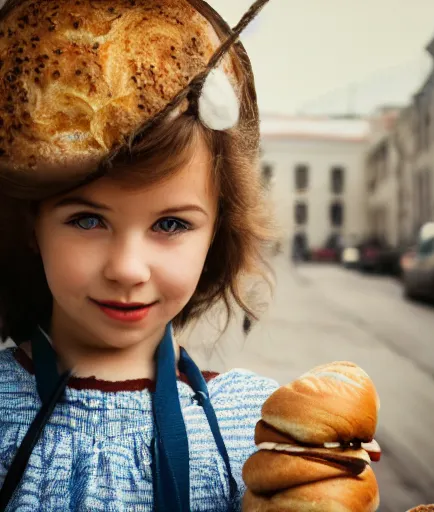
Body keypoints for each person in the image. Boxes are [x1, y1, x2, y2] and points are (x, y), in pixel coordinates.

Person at [0, 0, 277, 510]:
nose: (127, 269)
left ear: (216, 233)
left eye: (171, 224)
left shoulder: (260, 428)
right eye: (87, 220)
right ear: (31, 228)